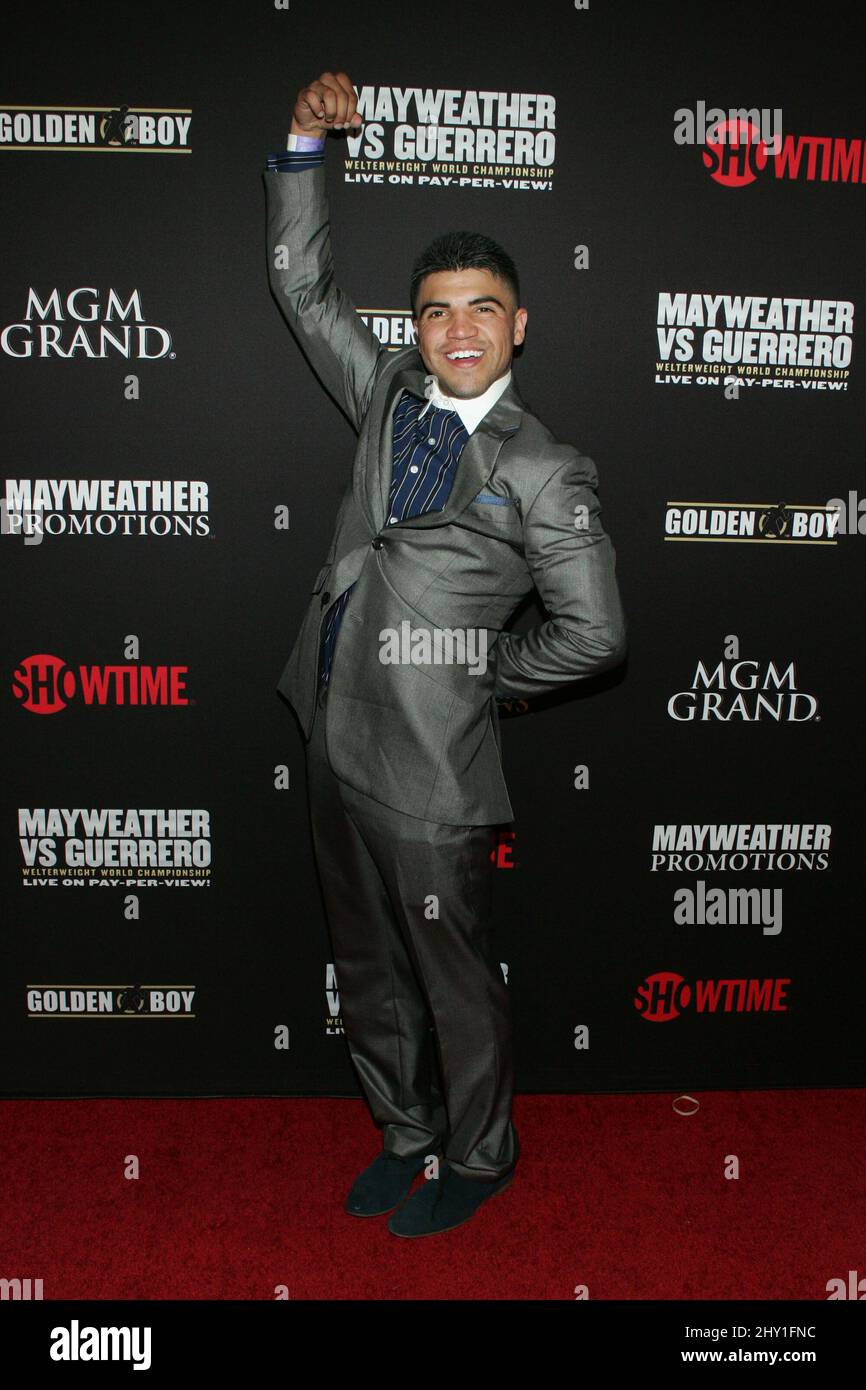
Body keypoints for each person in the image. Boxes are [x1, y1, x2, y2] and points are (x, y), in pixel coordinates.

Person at [263, 69, 627, 1237]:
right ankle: (405, 1131)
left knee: (454, 985)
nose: (456, 329)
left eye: (481, 308)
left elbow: (593, 634)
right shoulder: (381, 397)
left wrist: (474, 681)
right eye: (434, 309)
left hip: (429, 777)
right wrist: (305, 149)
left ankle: (479, 1154)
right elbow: (299, 282)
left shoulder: (544, 467)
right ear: (413, 326)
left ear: (517, 323)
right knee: (366, 972)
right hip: (326, 729)